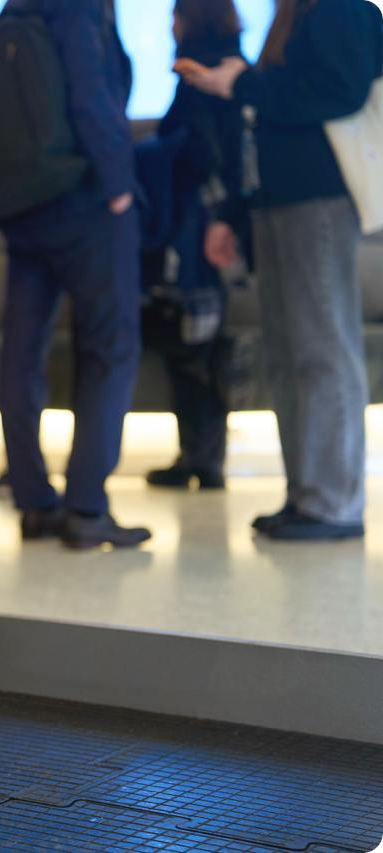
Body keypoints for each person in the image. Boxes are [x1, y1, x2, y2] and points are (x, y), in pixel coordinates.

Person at [184, 0, 383, 540]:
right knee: (288, 352)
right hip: (276, 199)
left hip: (318, 198)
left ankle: (333, 502)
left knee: (322, 346)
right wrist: (233, 213)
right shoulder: (297, 12)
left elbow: (342, 91)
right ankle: (306, 493)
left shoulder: (341, 8)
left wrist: (245, 83)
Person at [0, 0, 150, 549]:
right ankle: (86, 508)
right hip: (85, 201)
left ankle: (34, 502)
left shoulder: (12, 14)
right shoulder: (79, 11)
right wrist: (119, 185)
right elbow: (90, 97)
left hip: (25, 205)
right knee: (110, 347)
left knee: (21, 354)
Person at [144, 0, 249, 492]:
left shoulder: (202, 72)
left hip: (199, 221)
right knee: (201, 336)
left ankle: (201, 457)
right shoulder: (235, 62)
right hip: (216, 217)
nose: (170, 25)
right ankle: (203, 456)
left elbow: (201, 151)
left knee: (192, 338)